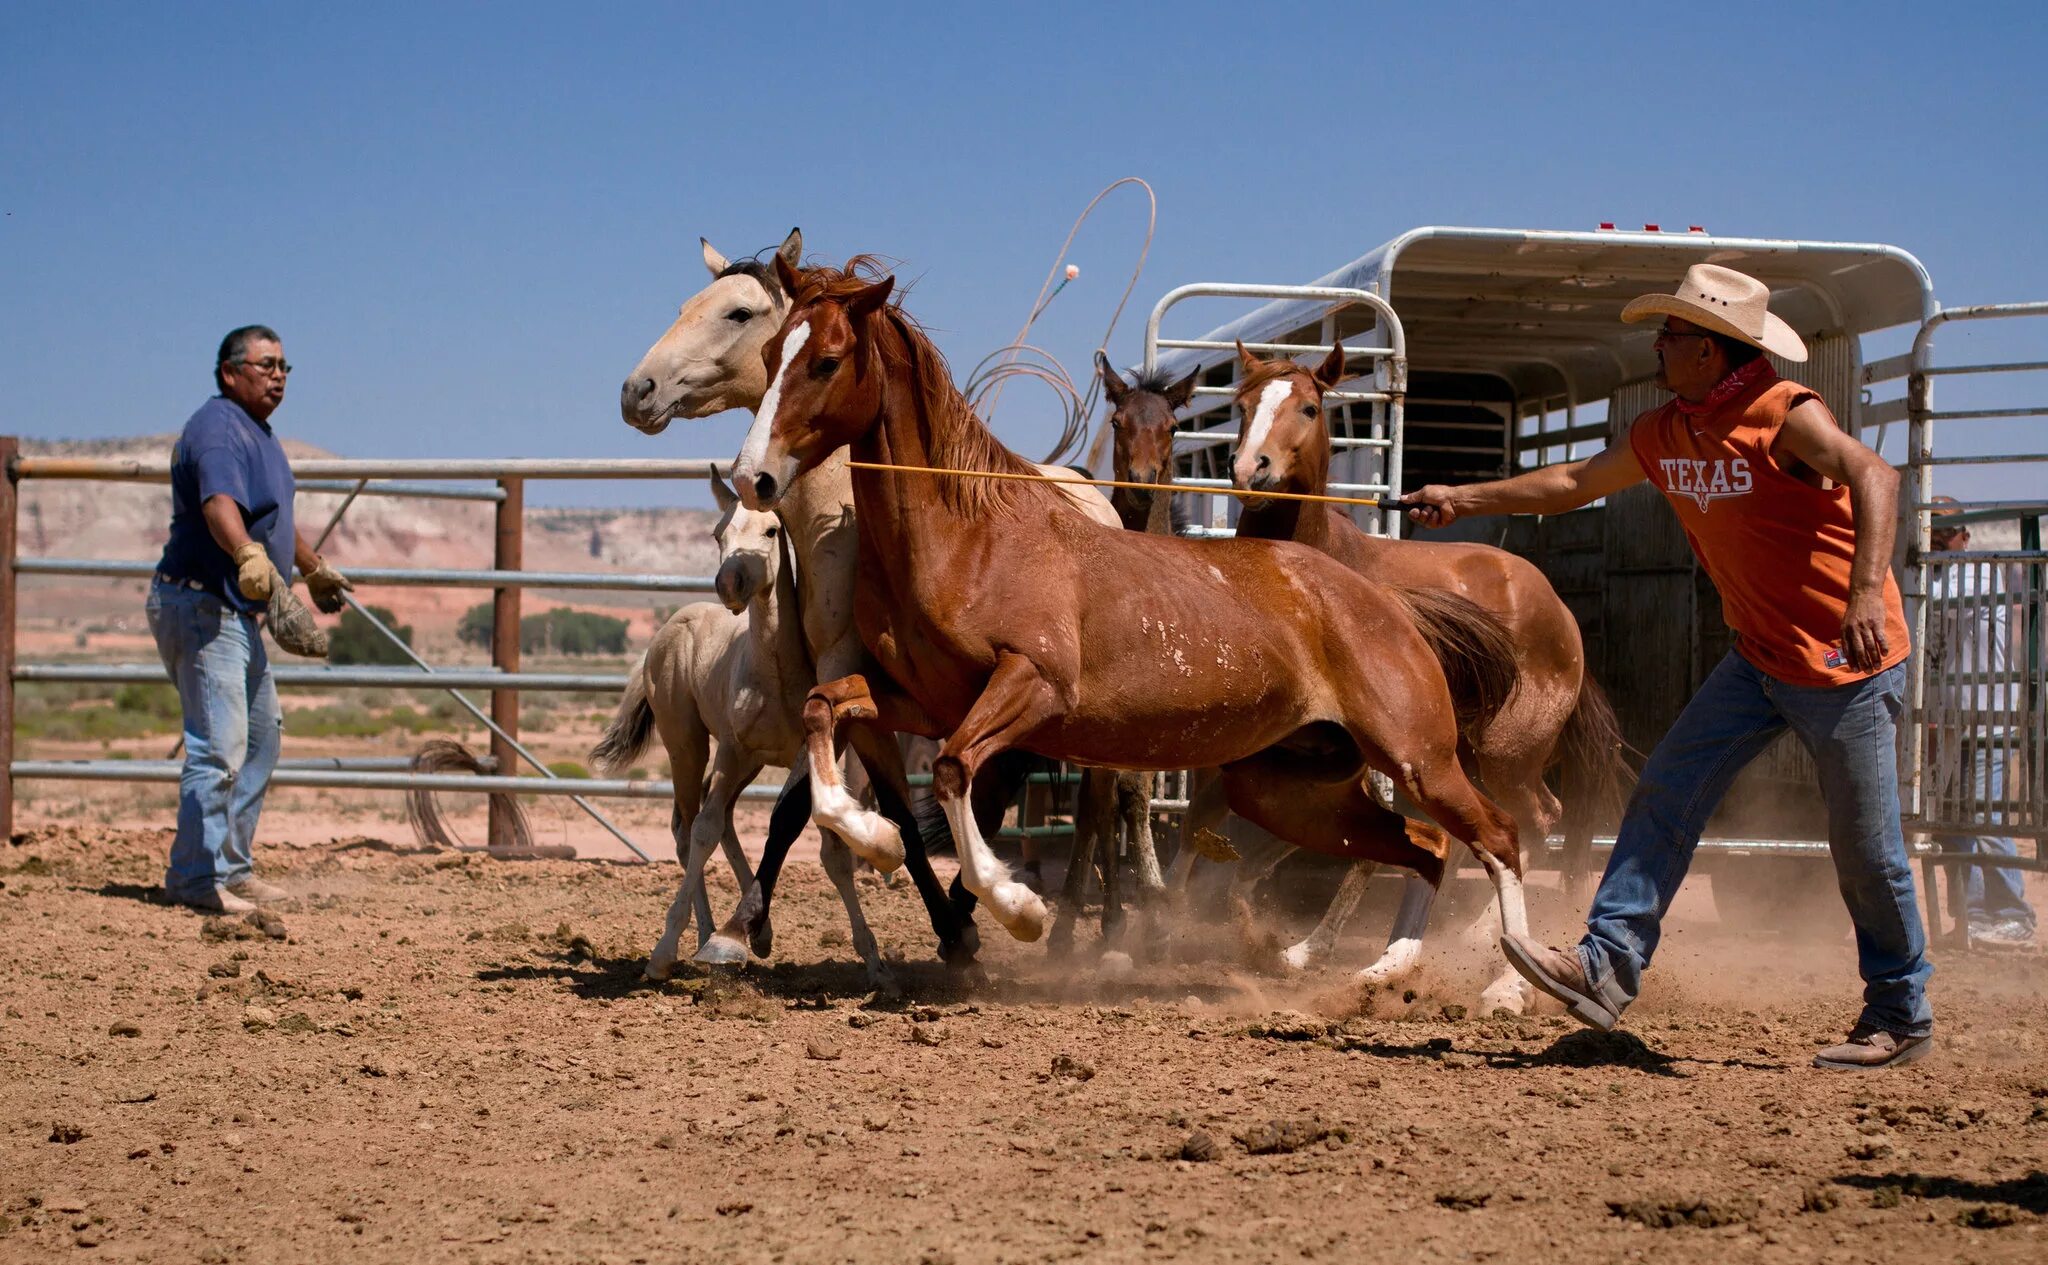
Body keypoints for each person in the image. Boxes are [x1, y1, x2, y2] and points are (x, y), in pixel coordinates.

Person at [1401, 264, 1934, 1070]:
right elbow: (1574, 481)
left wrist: (1865, 593)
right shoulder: (1667, 429)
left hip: (1847, 660)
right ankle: (1606, 966)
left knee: (1865, 846)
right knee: (1665, 792)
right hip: (1758, 656)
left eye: (1674, 334)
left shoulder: (1784, 412)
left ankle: (1901, 1012)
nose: (1659, 344)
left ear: (1714, 352)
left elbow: (1876, 473)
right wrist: (1462, 497)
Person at [149, 326, 353, 913]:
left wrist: (312, 569)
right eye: (266, 365)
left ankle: (230, 868)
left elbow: (270, 520)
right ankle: (193, 878)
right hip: (202, 605)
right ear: (230, 372)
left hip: (230, 612)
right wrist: (243, 554)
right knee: (219, 747)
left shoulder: (258, 434)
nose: (279, 376)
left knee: (261, 737)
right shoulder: (217, 429)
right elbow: (220, 505)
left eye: (286, 367)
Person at [1926, 496, 2036, 945]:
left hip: (1987, 719)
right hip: (1952, 722)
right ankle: (1972, 917)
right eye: (1929, 530)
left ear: (1964, 537)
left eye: (1945, 531)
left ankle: (2014, 915)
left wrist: (1907, 560)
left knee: (1986, 821)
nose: (1936, 538)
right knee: (1956, 825)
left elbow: (1929, 597)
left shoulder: (1974, 573)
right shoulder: (1936, 575)